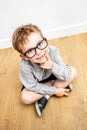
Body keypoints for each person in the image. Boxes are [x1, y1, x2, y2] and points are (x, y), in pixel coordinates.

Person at [12, 24, 77, 117]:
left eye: (40, 44)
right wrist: (55, 91)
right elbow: (32, 86)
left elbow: (67, 74)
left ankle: (45, 97)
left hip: (53, 74)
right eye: (30, 51)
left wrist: (52, 66)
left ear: (44, 39)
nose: (39, 52)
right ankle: (57, 85)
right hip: (37, 83)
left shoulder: (53, 51)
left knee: (73, 71)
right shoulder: (25, 66)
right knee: (25, 98)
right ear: (24, 56)